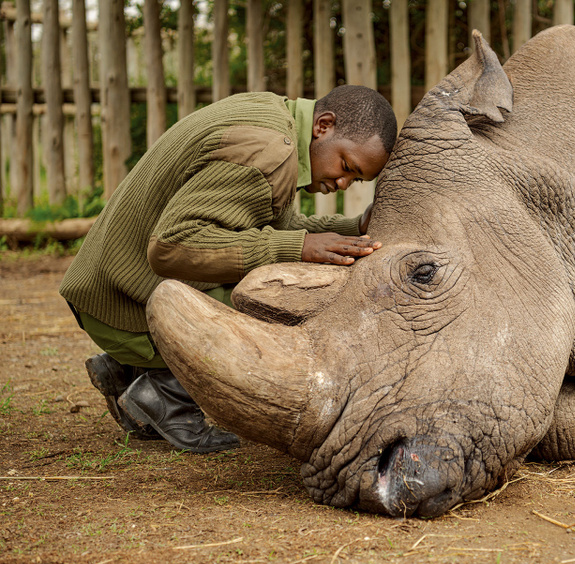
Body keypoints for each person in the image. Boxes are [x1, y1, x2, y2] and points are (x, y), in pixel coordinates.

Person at [59, 85, 398, 453]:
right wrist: (297, 248)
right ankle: (163, 390)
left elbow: (268, 226)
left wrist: (352, 229)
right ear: (324, 126)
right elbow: (171, 247)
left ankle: (130, 370)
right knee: (287, 305)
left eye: (357, 179)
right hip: (121, 306)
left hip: (109, 289)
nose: (343, 183)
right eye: (346, 166)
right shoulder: (267, 152)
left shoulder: (275, 120)